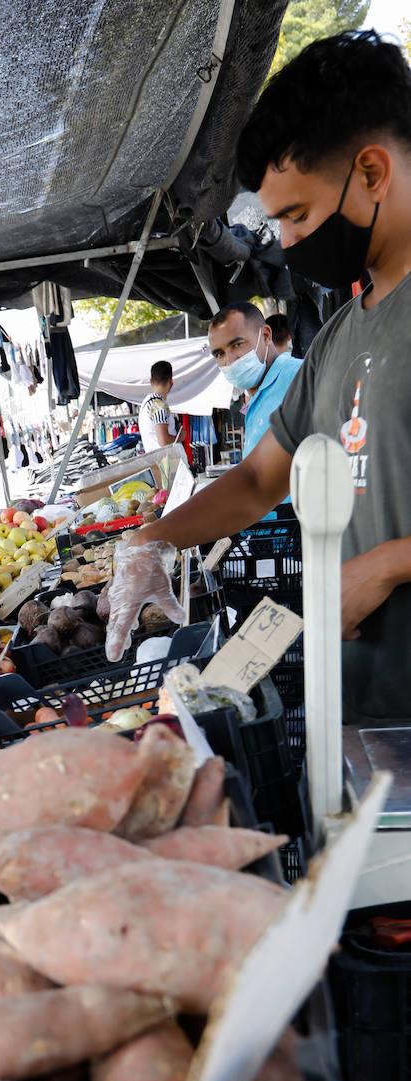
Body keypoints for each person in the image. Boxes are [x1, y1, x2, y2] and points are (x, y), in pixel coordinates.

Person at [106, 29, 411, 726]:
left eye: (297, 215)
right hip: (364, 722)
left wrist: (390, 563)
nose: (290, 243)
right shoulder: (339, 336)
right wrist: (150, 541)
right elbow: (256, 481)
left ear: (371, 172)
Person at [208, 302, 302, 455]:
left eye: (237, 345)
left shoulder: (300, 376)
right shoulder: (256, 398)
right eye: (219, 354)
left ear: (266, 336)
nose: (229, 360)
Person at [137, 362, 178, 451]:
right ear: (171, 381)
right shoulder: (158, 404)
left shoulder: (146, 402)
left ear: (151, 381)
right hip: (165, 458)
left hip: (154, 457)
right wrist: (180, 437)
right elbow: (163, 441)